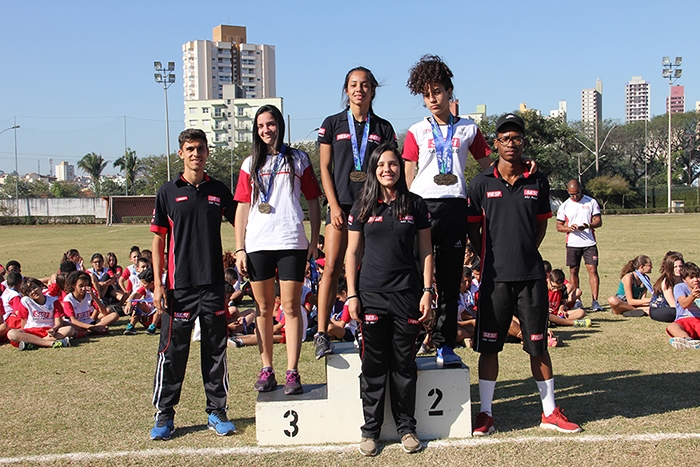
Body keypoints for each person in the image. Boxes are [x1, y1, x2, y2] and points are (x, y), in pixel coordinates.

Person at [466, 113, 581, 436]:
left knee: (537, 345)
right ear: (495, 144)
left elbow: (542, 223)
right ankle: (486, 413)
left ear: (523, 143)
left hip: (531, 277)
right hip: (494, 279)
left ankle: (549, 412)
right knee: (489, 348)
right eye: (505, 138)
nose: (511, 143)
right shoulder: (481, 183)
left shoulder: (537, 181)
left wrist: (527, 249)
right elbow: (472, 226)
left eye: (516, 138)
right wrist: (489, 255)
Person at [402, 55, 493, 367]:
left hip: (455, 205)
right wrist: (408, 209)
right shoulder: (416, 131)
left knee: (451, 279)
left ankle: (444, 344)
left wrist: (518, 172)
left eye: (438, 91)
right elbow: (409, 174)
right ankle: (411, 341)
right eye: (426, 94)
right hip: (422, 207)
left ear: (450, 91)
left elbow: (488, 168)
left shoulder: (469, 129)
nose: (432, 99)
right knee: (416, 279)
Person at [149, 128, 238, 440]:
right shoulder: (167, 192)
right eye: (190, 149)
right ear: (180, 154)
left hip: (214, 285)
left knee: (215, 350)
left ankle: (217, 410)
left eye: (200, 148)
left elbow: (240, 219)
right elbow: (158, 240)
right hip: (179, 288)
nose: (195, 154)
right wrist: (159, 285)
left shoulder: (219, 190)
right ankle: (164, 413)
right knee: (173, 351)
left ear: (207, 152)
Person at [346, 143, 433, 456]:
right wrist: (353, 294)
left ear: (401, 167)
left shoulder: (416, 205)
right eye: (381, 164)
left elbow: (425, 251)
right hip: (371, 296)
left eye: (393, 164)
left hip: (407, 296)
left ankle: (406, 428)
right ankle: (370, 431)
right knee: (373, 365)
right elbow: (352, 253)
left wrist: (426, 291)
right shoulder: (362, 206)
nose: (388, 169)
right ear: (373, 169)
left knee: (404, 365)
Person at [234, 104, 321, 395]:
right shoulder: (250, 164)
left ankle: (293, 371)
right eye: (260, 126)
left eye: (270, 124)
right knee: (262, 308)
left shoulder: (298, 159)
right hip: (258, 243)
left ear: (279, 125)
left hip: (291, 241)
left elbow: (312, 200)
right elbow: (243, 207)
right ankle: (267, 368)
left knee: (291, 307)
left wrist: (313, 238)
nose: (265, 130)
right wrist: (239, 248)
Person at [315, 66, 397, 359]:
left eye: (364, 85)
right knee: (333, 266)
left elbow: (390, 171)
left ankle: (364, 329)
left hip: (371, 208)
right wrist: (334, 205)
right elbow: (324, 168)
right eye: (353, 84)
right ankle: (322, 332)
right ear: (346, 90)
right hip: (341, 207)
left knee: (367, 272)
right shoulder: (333, 123)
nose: (359, 89)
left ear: (373, 91)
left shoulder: (383, 128)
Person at [556, 179, 603, 311]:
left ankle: (595, 301)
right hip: (572, 243)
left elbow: (598, 221)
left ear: (581, 190)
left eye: (577, 193)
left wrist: (588, 225)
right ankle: (578, 301)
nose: (575, 196)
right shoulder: (564, 205)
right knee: (573, 271)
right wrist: (569, 228)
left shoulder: (591, 201)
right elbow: (558, 226)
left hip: (589, 243)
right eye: (572, 194)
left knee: (593, 270)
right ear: (567, 192)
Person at [7, 277, 73, 350]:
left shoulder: (53, 300)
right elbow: (24, 321)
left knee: (69, 329)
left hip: (49, 332)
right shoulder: (25, 301)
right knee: (11, 333)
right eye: (29, 291)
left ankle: (33, 344)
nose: (33, 292)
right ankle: (51, 343)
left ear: (41, 286)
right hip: (31, 331)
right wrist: (23, 334)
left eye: (34, 288)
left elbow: (58, 322)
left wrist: (53, 329)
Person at [63, 270, 118, 336]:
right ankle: (94, 330)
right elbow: (73, 320)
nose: (84, 289)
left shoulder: (89, 295)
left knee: (114, 315)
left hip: (89, 322)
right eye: (81, 286)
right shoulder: (68, 299)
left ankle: (88, 332)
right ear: (73, 285)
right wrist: (93, 327)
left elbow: (104, 312)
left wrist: (94, 297)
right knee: (66, 325)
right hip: (77, 325)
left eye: (86, 286)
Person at [666, 262, 700, 349]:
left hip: (698, 320)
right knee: (672, 327)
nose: (696, 280)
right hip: (683, 320)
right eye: (692, 277)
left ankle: (685, 341)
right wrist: (693, 296)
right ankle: (687, 340)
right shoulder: (679, 287)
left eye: (698, 276)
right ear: (684, 279)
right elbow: (683, 304)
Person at [650, 251, 684, 323]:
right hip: (660, 309)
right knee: (675, 312)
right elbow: (672, 304)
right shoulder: (666, 281)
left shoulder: (683, 279)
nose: (678, 269)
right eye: (675, 267)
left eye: (680, 266)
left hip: (674, 308)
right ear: (670, 268)